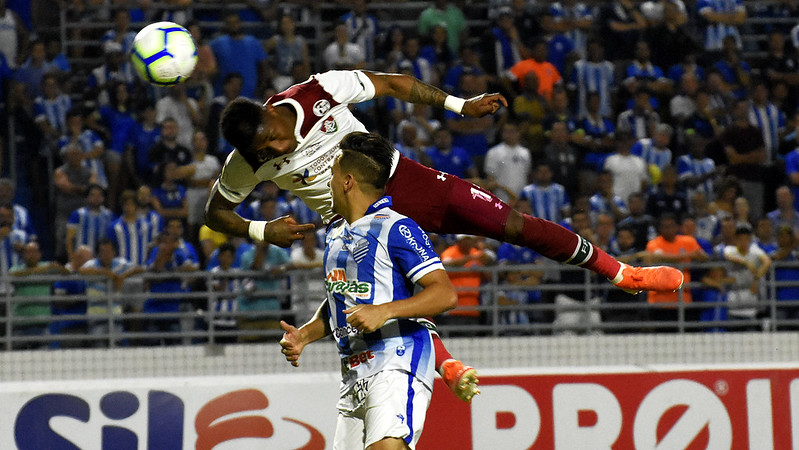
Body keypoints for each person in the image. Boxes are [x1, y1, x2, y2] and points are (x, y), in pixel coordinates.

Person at [207, 68, 683, 399]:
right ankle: (447, 364)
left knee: (513, 225)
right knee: (388, 299)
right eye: (262, 152)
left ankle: (623, 274)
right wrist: (261, 230)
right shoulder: (246, 161)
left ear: (271, 116)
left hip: (405, 179)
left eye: (271, 140)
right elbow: (216, 212)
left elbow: (393, 83)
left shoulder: (318, 91)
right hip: (357, 220)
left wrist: (459, 104)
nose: (272, 150)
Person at [279, 134, 457, 448]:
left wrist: (384, 311)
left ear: (348, 182)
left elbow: (445, 294)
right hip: (353, 374)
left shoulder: (396, 227)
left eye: (331, 176)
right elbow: (341, 301)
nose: (327, 184)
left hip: (397, 358)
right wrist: (304, 335)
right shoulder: (335, 232)